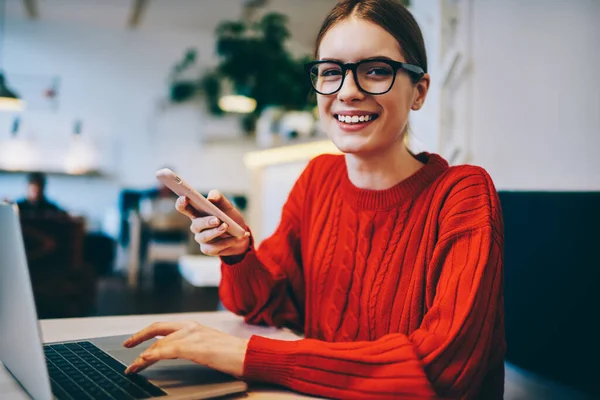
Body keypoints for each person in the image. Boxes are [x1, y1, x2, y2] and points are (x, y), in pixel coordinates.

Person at [122, 1, 505, 398]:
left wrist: (250, 357)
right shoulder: (318, 179)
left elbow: (442, 370)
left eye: (376, 71)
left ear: (419, 91)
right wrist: (238, 254)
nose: (349, 92)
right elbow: (270, 308)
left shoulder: (464, 194)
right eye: (331, 72)